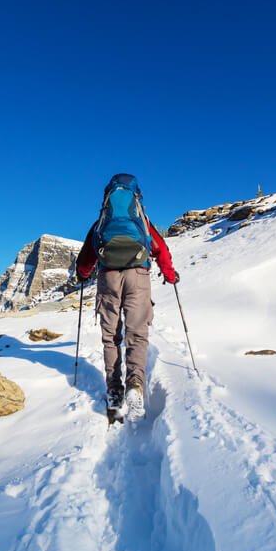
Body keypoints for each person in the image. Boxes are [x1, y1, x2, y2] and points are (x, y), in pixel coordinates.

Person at [75, 173, 178, 420]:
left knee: (111, 337)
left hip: (108, 278)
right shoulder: (141, 221)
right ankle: (135, 387)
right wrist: (170, 274)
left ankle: (113, 391)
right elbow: (161, 249)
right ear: (137, 197)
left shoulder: (102, 222)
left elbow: (86, 259)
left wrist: (82, 275)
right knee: (137, 335)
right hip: (138, 277)